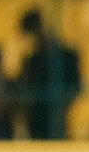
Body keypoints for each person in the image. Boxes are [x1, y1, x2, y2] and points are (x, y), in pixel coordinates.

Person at [17, 9, 81, 140]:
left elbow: (75, 86)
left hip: (55, 119)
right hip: (37, 121)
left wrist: (62, 105)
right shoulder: (32, 60)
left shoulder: (66, 57)